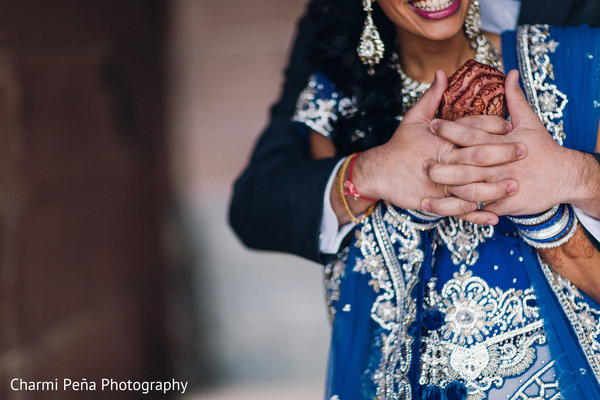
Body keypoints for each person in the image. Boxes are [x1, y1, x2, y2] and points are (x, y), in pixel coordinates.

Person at [229, 0, 600, 399]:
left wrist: (562, 188)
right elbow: (353, 303)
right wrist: (372, 176)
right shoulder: (338, 101)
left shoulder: (574, 61)